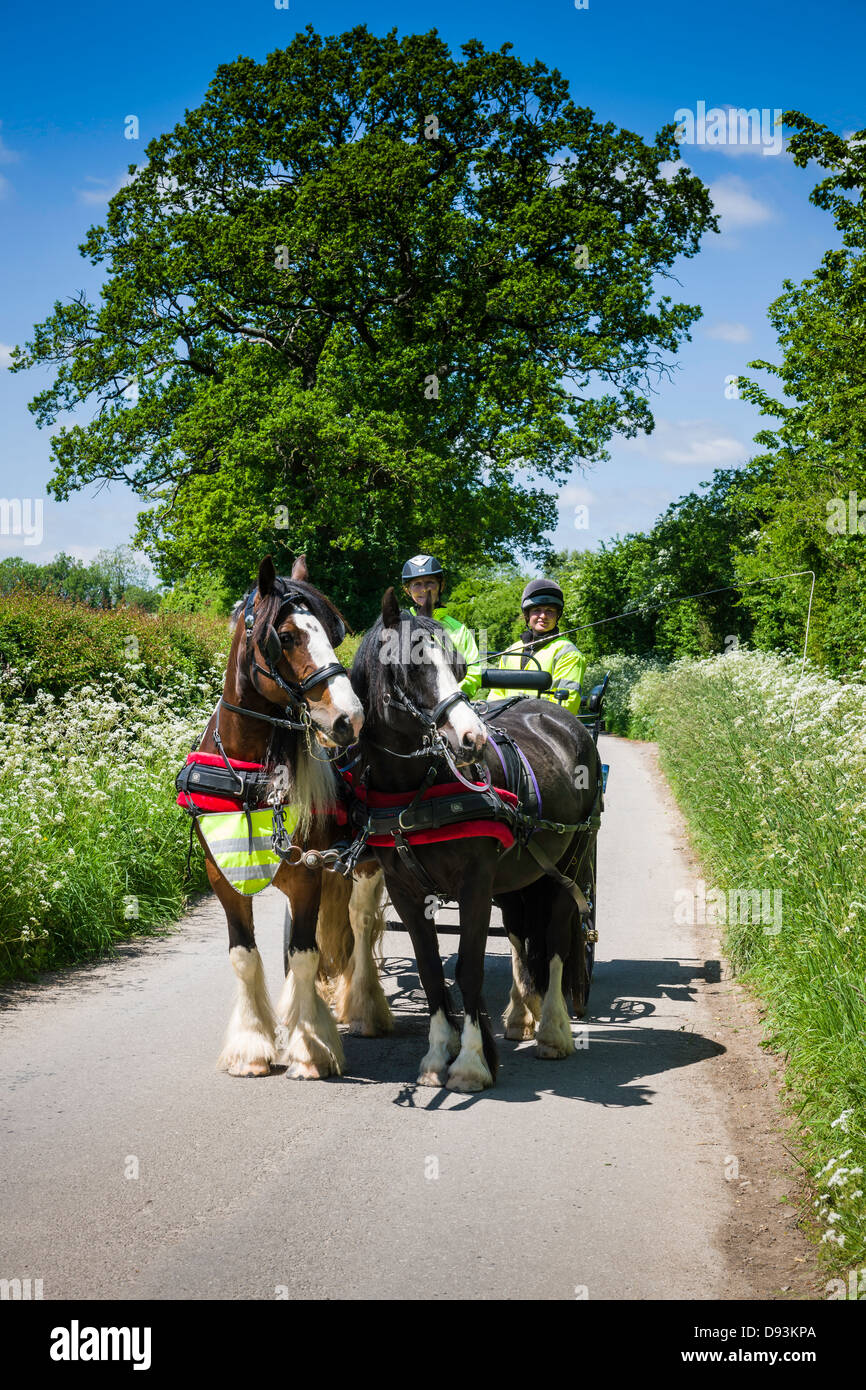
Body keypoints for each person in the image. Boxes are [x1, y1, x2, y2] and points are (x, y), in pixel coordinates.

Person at [485, 578, 586, 716]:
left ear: (557, 616)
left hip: (545, 728)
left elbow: (567, 705)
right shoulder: (510, 651)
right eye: (537, 610)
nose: (543, 616)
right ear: (527, 615)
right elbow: (496, 694)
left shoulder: (567, 653)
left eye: (550, 611)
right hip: (506, 725)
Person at [401, 554, 483, 699]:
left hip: (450, 705)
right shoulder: (400, 625)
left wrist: (447, 695)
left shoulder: (459, 630)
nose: (424, 589)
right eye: (417, 584)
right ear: (407, 590)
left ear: (441, 586)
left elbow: (473, 673)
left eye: (430, 582)